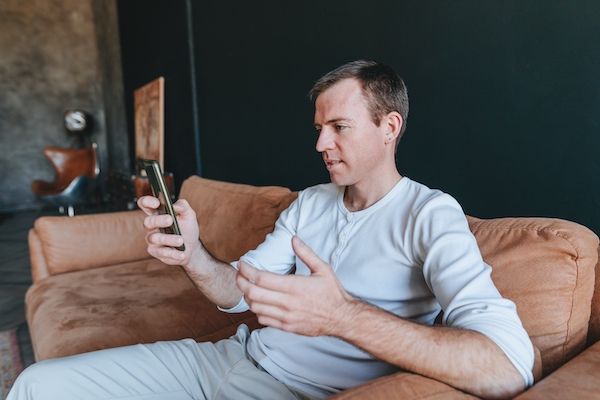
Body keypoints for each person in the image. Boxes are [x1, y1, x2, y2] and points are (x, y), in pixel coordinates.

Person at [8, 60, 534, 400]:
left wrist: (342, 315)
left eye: (339, 128)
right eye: (318, 129)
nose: (320, 144)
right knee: (36, 385)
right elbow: (239, 292)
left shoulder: (430, 215)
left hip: (295, 391)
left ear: (389, 127)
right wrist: (193, 254)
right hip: (227, 359)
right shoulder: (310, 203)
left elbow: (509, 365)